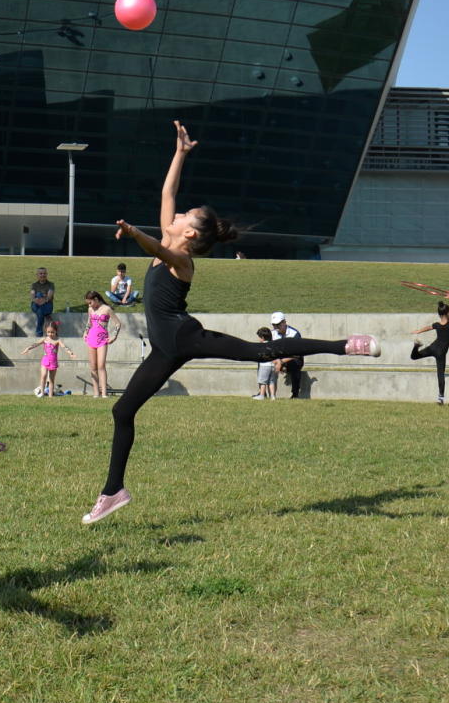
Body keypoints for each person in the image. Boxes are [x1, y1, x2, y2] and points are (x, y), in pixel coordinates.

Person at [85, 121, 381, 525]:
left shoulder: (182, 261)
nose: (178, 212)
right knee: (122, 411)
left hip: (184, 337)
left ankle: (344, 345)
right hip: (164, 349)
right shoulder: (174, 243)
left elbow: (155, 245)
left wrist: (134, 231)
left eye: (186, 214)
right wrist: (180, 154)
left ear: (188, 232)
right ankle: (114, 491)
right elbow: (166, 192)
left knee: (261, 351)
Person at [404, 282, 449, 405]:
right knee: (440, 375)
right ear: (448, 313)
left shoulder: (437, 325)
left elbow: (428, 327)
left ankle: (416, 346)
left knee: (414, 356)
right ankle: (441, 398)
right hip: (440, 353)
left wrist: (418, 331)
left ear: (439, 314)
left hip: (433, 348)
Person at [23, 320, 74, 397]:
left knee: (51, 379)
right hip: (45, 360)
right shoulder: (45, 339)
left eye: (52, 332)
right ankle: (42, 393)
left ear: (56, 331)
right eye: (48, 332)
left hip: (53, 362)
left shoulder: (57, 340)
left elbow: (64, 346)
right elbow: (36, 344)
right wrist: (28, 348)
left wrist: (70, 352)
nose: (50, 334)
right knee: (43, 375)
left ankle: (50, 395)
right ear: (46, 331)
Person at [82, 291, 116, 397]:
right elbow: (89, 322)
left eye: (90, 302)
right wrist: (85, 332)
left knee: (101, 366)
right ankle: (96, 393)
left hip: (102, 340)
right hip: (91, 339)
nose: (89, 305)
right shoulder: (90, 309)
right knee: (93, 367)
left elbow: (118, 324)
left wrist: (114, 336)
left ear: (96, 300)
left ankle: (104, 393)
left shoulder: (107, 309)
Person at [270, 312, 305, 398]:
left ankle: (295, 393)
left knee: (295, 366)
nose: (276, 327)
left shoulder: (294, 334)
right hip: (278, 358)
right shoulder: (272, 334)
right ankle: (264, 392)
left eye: (278, 324)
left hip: (293, 359)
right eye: (274, 325)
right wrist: (277, 361)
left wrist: (281, 362)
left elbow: (297, 354)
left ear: (284, 322)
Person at [252, 326, 278, 399]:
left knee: (262, 382)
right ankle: (273, 396)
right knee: (272, 382)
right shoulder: (273, 345)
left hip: (264, 366)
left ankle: (262, 395)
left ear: (262, 337)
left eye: (259, 337)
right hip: (273, 366)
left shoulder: (261, 346)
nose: (259, 339)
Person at [29, 267, 55, 337]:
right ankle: (39, 332)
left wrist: (42, 300)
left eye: (44, 273)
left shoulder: (51, 284)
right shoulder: (34, 285)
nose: (42, 275)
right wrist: (40, 298)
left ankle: (39, 334)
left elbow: (49, 296)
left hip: (47, 306)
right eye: (40, 273)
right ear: (37, 275)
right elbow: (32, 296)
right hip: (35, 305)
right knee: (38, 295)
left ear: (47, 274)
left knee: (40, 311)